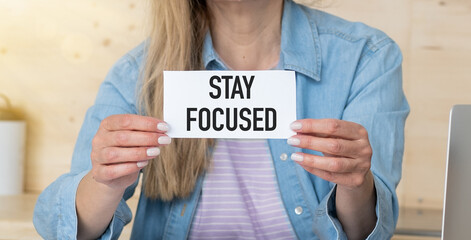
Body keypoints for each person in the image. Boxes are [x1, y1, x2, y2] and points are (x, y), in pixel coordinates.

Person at [33, 0, 409, 239]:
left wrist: (354, 182)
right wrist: (105, 180)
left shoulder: (367, 57)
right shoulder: (138, 73)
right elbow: (62, 229)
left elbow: (370, 230)